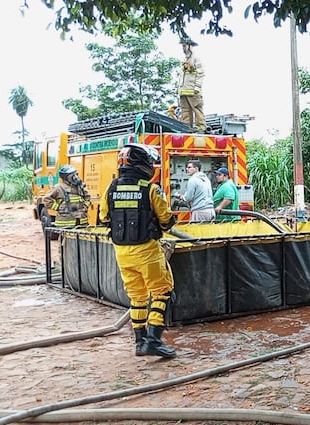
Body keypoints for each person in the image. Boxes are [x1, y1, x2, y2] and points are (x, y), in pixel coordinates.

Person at [99, 143, 178, 358]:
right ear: (142, 164)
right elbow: (166, 220)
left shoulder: (111, 188)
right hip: (147, 251)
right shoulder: (150, 189)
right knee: (162, 291)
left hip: (122, 253)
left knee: (137, 297)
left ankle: (139, 342)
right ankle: (153, 340)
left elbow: (104, 217)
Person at [178, 36, 206, 133]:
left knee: (197, 109)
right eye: (182, 46)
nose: (183, 48)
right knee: (185, 111)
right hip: (184, 91)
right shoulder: (184, 59)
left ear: (190, 46)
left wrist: (197, 87)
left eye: (184, 46)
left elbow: (201, 73)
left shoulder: (196, 59)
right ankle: (186, 128)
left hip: (193, 91)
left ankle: (201, 127)